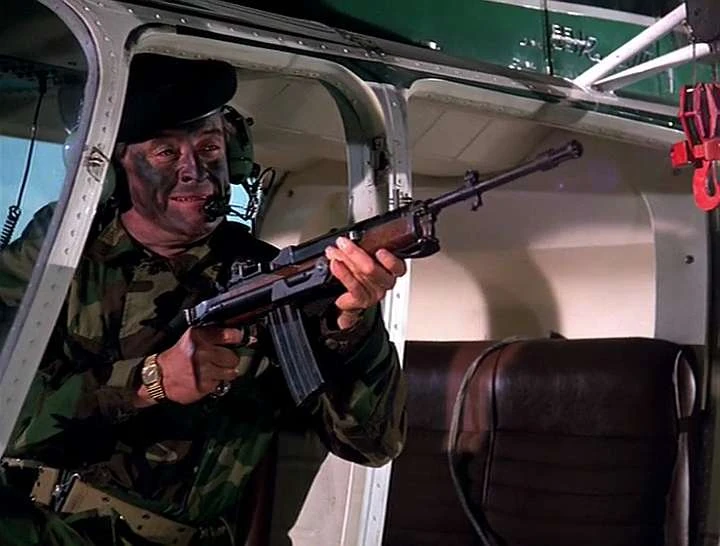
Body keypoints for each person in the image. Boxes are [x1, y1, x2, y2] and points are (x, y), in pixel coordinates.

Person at [0, 54, 408, 545]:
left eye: (210, 147)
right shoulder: (59, 253)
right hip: (33, 522)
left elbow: (373, 444)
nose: (195, 170)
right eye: (165, 153)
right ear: (116, 169)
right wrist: (146, 382)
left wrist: (354, 329)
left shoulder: (276, 280)